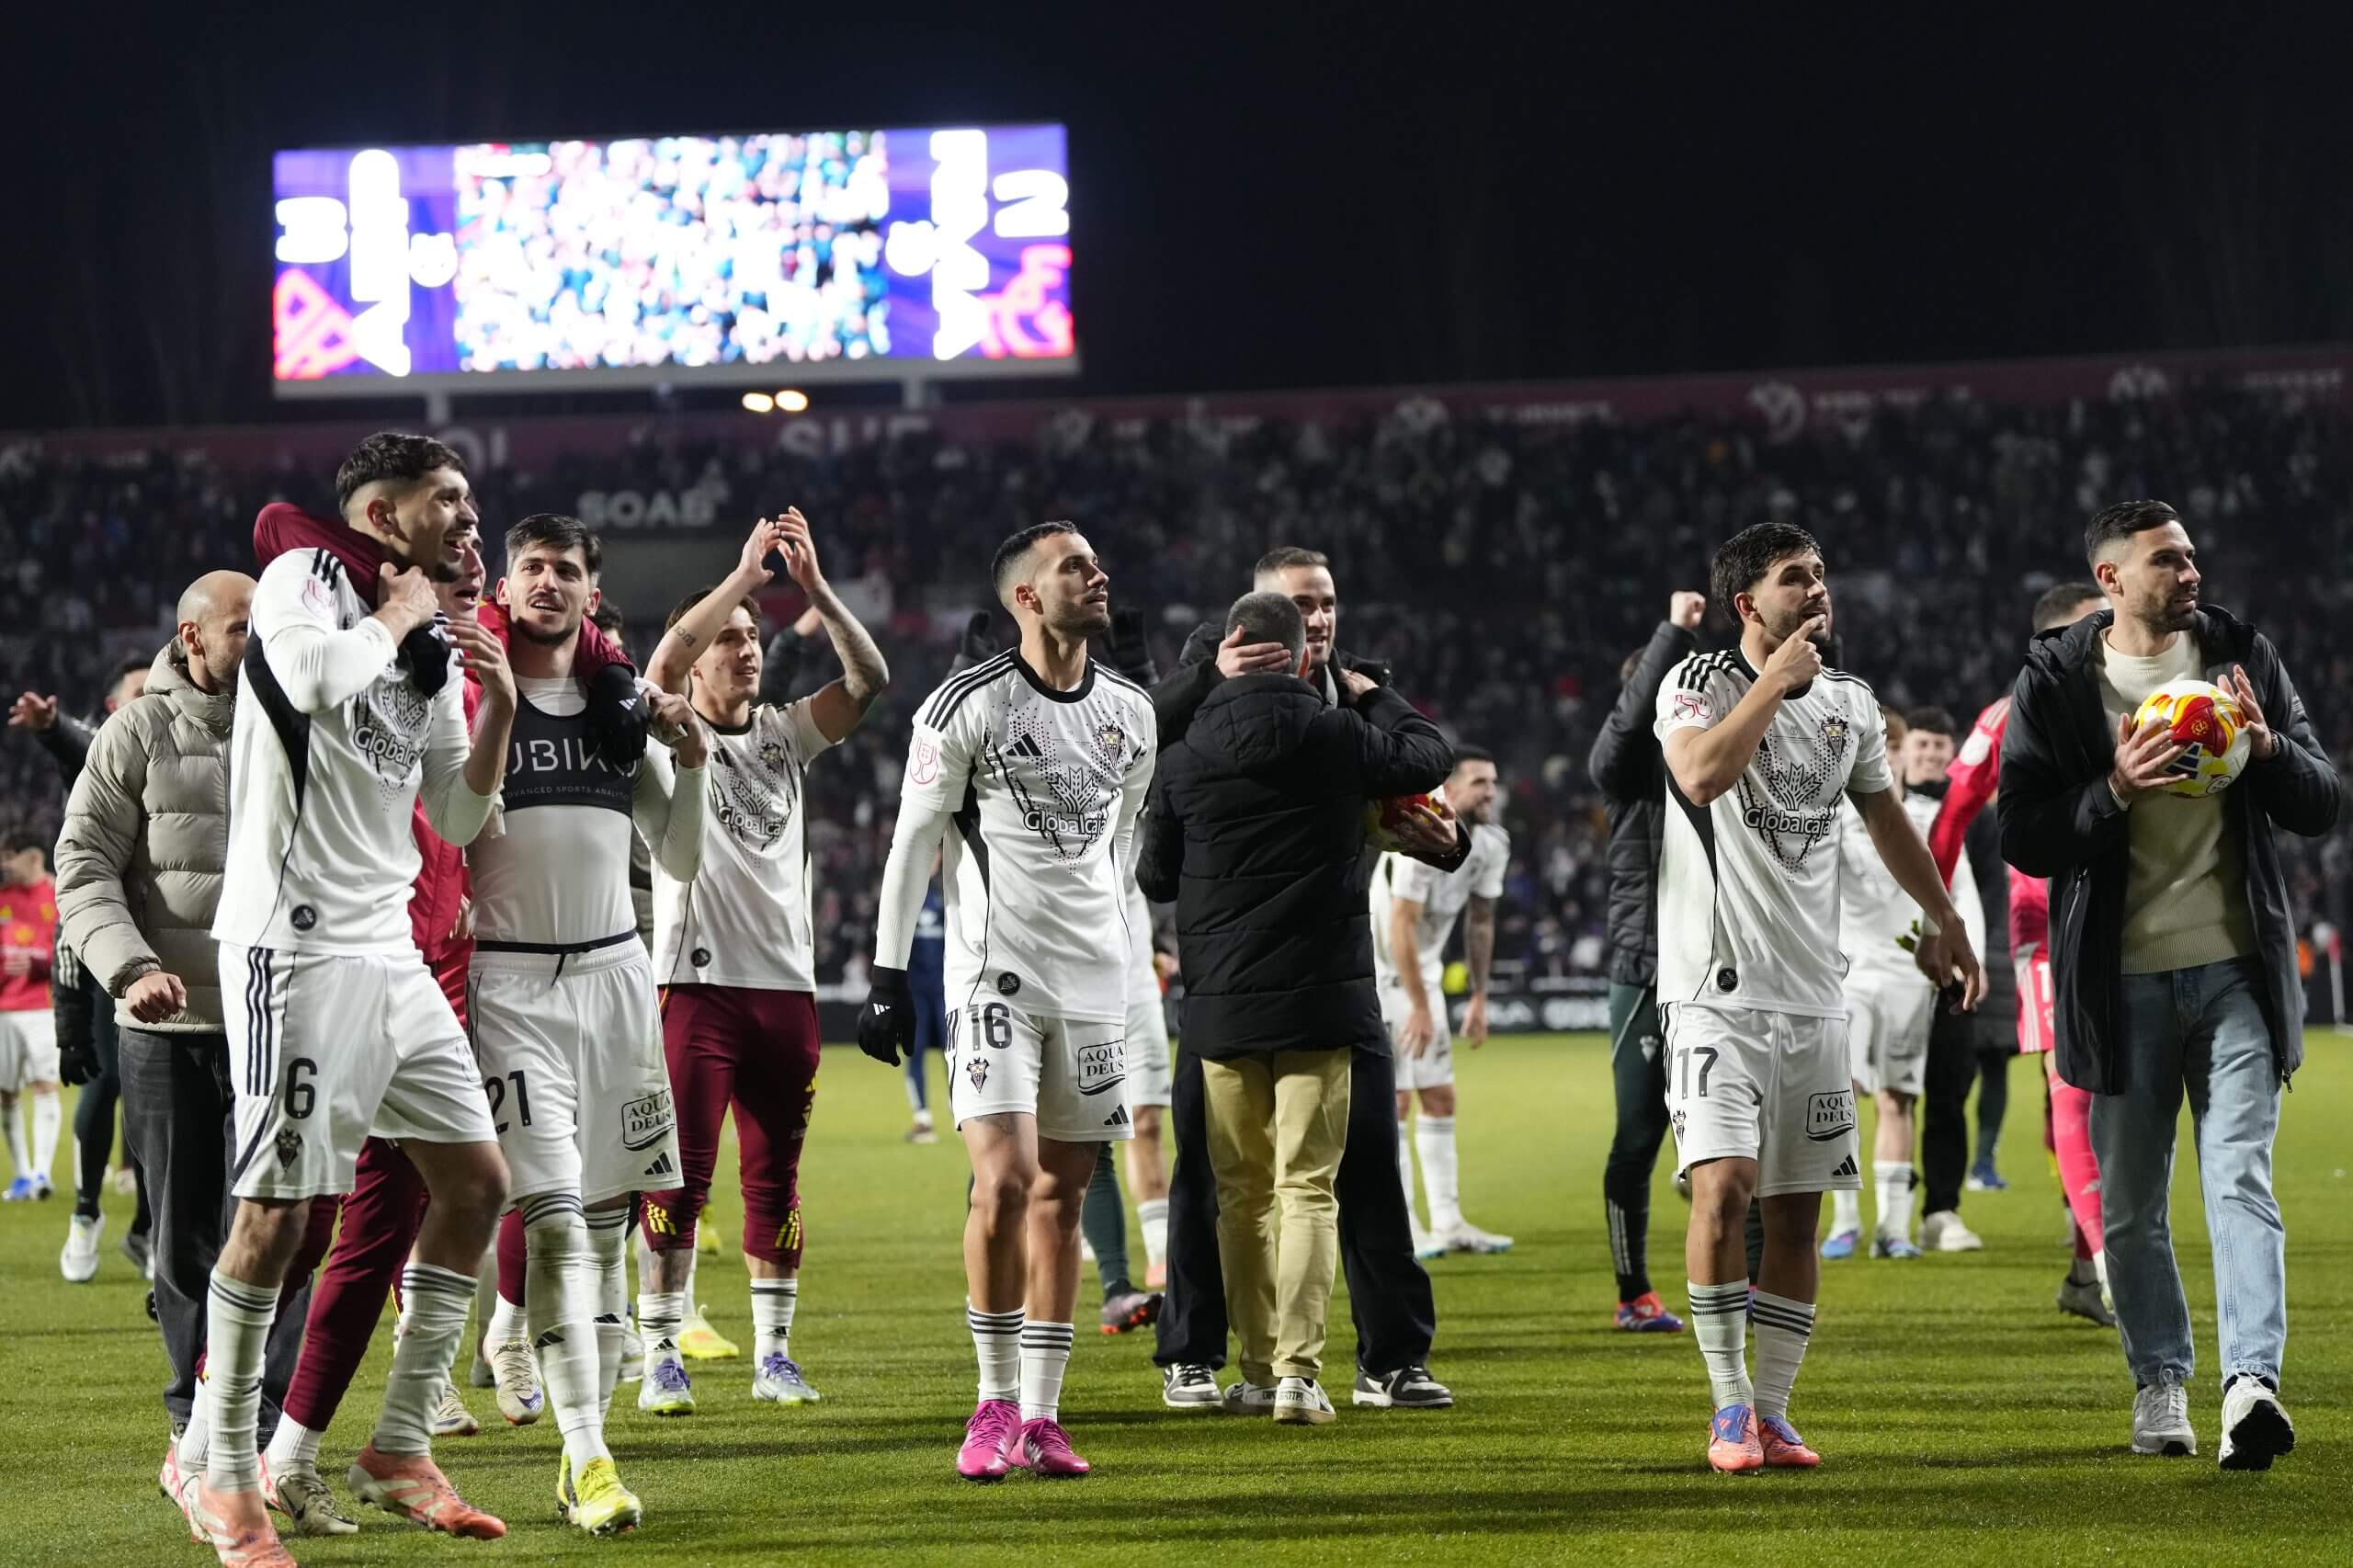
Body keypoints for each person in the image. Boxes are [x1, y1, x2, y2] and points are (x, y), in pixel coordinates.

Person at [191, 431, 519, 1564]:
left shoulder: (426, 636)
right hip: (293, 946)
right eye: (447, 500)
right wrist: (398, 612)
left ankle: (398, 1445)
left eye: (470, 499)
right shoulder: (307, 578)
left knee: (475, 1182)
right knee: (278, 1217)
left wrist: (497, 704)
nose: (469, 517)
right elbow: (302, 677)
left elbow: (457, 813)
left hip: (389, 950)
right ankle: (222, 1469)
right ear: (383, 515)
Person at [1998, 498, 2341, 1469]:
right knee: (2130, 1208)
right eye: (2166, 560)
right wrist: (2112, 789)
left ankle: (2250, 1386)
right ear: (2109, 579)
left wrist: (2269, 750)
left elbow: (2322, 798)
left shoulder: (2241, 656)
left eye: (2190, 556)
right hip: (2119, 985)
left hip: (2237, 973)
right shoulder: (2055, 683)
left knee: (2239, 1178)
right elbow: (2020, 832)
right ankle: (2159, 1380)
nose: (2189, 573)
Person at [1658, 521, 1984, 1474]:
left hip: (1814, 996)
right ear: (1746, 602)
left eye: (1820, 574)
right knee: (1725, 1188)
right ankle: (1727, 1405)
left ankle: (1772, 1410)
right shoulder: (1697, 681)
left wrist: (1945, 919)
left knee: (1798, 1213)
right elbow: (1699, 774)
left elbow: (1887, 819)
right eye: (1794, 578)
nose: (1816, 589)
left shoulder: (1850, 702)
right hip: (1714, 992)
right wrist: (1772, 684)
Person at [856, 521, 1155, 1481]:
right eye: (1074, 566)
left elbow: (1124, 848)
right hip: (996, 977)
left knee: (1064, 1195)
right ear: (1026, 596)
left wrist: (1127, 951)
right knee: (1006, 1182)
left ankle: (1042, 1415)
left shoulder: (1133, 712)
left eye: (1095, 562)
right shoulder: (966, 705)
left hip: (1096, 984)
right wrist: (886, 975)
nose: (1096, 574)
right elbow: (913, 841)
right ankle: (991, 1401)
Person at [1149, 546, 1456, 1415]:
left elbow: (1418, 806)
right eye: (1301, 604)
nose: (1318, 617)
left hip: (1252, 984)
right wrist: (1207, 677)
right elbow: (1129, 731)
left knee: (1359, 1169)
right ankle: (1216, 1357)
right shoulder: (1320, 713)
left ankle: (1382, 1359)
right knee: (1231, 1183)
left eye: (1326, 601)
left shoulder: (1335, 694)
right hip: (1315, 981)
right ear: (1258, 622)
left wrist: (1445, 841)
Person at [463, 513, 707, 1532]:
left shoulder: (621, 709)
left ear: (591, 594)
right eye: (532, 567)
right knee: (556, 1221)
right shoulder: (471, 696)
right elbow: (449, 826)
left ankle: (583, 1451)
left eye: (567, 569)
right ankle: (592, 1455)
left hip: (615, 981)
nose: (549, 582)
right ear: (506, 587)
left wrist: (693, 760)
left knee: (606, 1235)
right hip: (511, 985)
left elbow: (679, 856)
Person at [636, 508, 888, 1414]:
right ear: (700, 656)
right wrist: (744, 575)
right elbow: (658, 670)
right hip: (695, 987)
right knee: (679, 1178)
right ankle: (660, 1352)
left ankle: (774, 1355)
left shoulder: (787, 732)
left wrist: (814, 587)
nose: (746, 649)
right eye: (729, 639)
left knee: (776, 1180)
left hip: (786, 990)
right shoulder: (665, 733)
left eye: (752, 637)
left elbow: (869, 679)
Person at [51, 573, 294, 1461]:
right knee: (186, 1240)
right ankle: (195, 1417)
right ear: (191, 638)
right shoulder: (135, 732)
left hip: (280, 1024)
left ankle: (262, 1425)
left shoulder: (297, 722)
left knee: (281, 1228)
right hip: (169, 1030)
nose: (260, 643)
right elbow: (82, 865)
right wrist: (130, 968)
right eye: (242, 628)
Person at [1929, 580, 2116, 1324]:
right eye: (2094, 625)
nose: (2109, 633)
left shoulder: (2139, 696)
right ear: (2052, 640)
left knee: (2112, 1094)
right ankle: (2109, 1266)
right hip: (2044, 923)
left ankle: (2085, 1265)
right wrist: (1939, 921)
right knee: (2070, 1084)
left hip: (2133, 914)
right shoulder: (2008, 714)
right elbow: (1950, 818)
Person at [1586, 597, 1711, 1333]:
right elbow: (1627, 730)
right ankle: (1633, 1292)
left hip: (1721, 972)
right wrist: (1677, 632)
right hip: (1646, 969)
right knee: (1638, 1136)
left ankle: (1748, 1286)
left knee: (1744, 1139)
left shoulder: (1719, 762)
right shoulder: (1629, 773)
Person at [1824, 708, 1984, 1261]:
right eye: (1881, 748)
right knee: (1838, 1099)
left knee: (1898, 1099)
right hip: (1845, 978)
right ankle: (1845, 1221)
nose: (1888, 758)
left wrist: (1968, 958)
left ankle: (1893, 1229)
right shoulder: (1830, 820)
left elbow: (1960, 893)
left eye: (1893, 748)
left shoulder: (1930, 819)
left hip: (1907, 980)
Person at [12, 654, 155, 1255]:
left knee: (161, 1094)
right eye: (140, 691)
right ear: (113, 707)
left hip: (171, 942)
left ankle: (149, 1229)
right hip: (106, 943)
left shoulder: (188, 740)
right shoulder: (109, 747)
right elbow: (83, 745)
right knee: (104, 1082)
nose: (153, 696)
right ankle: (86, 1212)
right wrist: (52, 729)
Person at [1374, 744, 1511, 1256]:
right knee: (1397, 1102)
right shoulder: (1418, 831)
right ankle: (1405, 1225)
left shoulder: (1493, 843)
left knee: (1439, 1097)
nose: (1490, 792)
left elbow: (1482, 921)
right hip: (1382, 978)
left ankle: (1449, 1222)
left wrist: (1479, 995)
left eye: (1493, 782)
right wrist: (1419, 1005)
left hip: (1421, 981)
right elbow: (1401, 925)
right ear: (1449, 791)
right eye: (1479, 783)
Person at [1, 833, 62, 1200]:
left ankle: (42, 1174)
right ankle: (22, 1175)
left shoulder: (58, 895)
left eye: (11, 855)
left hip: (43, 1006)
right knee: (6, 1093)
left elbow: (74, 953)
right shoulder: (3, 897)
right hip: (4, 1009)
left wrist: (40, 965)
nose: (5, 863)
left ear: (34, 856)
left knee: (44, 1085)